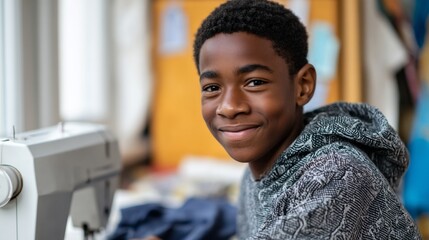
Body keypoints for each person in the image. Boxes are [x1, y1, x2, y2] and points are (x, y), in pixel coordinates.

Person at [193, 0, 422, 239]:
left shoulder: (336, 175)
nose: (229, 107)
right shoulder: (254, 175)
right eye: (212, 87)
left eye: (255, 82)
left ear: (303, 85)